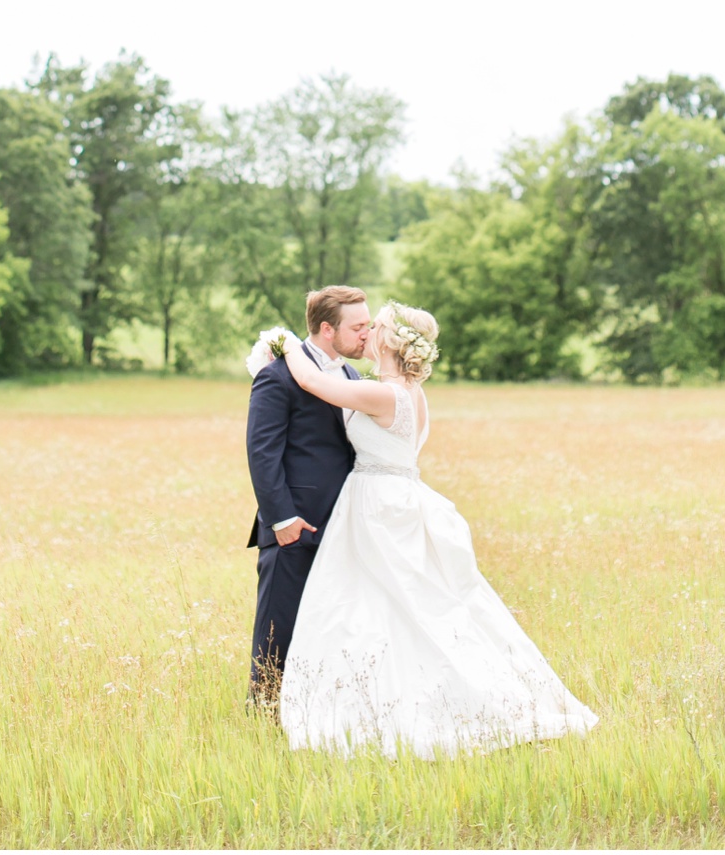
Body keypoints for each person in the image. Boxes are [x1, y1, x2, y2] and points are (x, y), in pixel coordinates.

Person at [277, 302, 599, 757]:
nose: (367, 332)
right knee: (395, 604)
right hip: (396, 498)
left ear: (390, 341)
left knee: (388, 602)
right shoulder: (408, 390)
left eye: (377, 327)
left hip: (379, 505)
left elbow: (311, 382)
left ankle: (408, 703)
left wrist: (285, 344)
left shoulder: (385, 394)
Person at [243, 285, 374, 707]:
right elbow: (262, 453)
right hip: (294, 527)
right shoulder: (277, 376)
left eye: (368, 325)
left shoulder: (352, 377)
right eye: (358, 327)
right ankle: (263, 712)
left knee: (331, 626)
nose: (366, 335)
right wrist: (281, 520)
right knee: (278, 626)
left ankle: (315, 711)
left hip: (342, 527)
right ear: (326, 329)